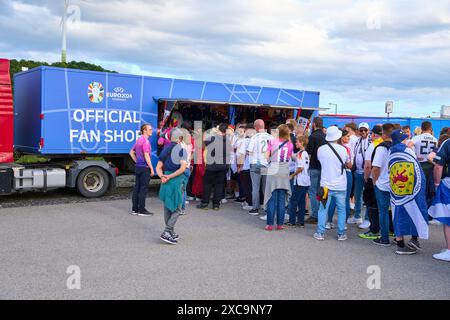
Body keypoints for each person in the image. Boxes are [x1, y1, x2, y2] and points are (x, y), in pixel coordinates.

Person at [388, 129, 429, 255]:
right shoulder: (408, 150)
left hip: (397, 190)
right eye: (405, 138)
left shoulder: (390, 151)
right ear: (402, 140)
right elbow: (416, 169)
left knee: (398, 212)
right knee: (416, 210)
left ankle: (400, 243)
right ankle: (414, 238)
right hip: (412, 189)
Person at [314, 126, 351, 241]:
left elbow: (320, 162)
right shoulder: (343, 150)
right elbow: (349, 164)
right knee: (341, 210)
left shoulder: (321, 149)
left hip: (325, 184)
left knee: (323, 209)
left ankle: (320, 233)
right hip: (341, 184)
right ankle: (341, 233)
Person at [157, 128, 189, 245]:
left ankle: (171, 232)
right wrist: (170, 177)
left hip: (165, 180)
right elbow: (182, 169)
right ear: (180, 138)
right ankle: (167, 231)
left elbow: (158, 167)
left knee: (167, 206)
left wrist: (163, 176)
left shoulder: (165, 150)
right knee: (177, 208)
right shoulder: (182, 150)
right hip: (175, 181)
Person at [263, 124, 293, 231]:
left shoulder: (272, 142)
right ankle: (280, 224)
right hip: (284, 170)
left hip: (273, 169)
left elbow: (266, 156)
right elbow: (289, 158)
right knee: (281, 198)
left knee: (271, 197)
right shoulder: (290, 144)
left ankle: (270, 224)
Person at [197, 123, 231, 211]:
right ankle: (216, 204)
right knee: (219, 185)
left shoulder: (213, 138)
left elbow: (203, 143)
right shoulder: (227, 140)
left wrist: (212, 131)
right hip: (224, 166)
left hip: (212, 165)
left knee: (207, 184)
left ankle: (205, 203)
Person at [359, 125, 384, 239]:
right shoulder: (388, 144)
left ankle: (374, 230)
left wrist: (365, 176)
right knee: (384, 206)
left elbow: (368, 165)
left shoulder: (373, 145)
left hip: (373, 178)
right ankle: (388, 229)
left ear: (373, 134)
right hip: (385, 179)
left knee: (372, 204)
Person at [372, 123, 395, 247]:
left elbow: (376, 168)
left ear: (383, 134)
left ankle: (385, 238)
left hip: (383, 184)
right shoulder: (399, 147)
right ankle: (398, 237)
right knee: (396, 211)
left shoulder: (381, 148)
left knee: (383, 211)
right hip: (397, 184)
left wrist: (375, 182)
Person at [428, 135, 450, 261]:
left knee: (447, 218)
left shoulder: (447, 143)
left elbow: (438, 166)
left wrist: (436, 184)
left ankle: (449, 250)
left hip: (448, 184)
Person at [326, 129, 353, 229]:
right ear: (341, 137)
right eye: (347, 136)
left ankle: (329, 221)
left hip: (332, 174)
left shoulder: (327, 148)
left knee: (332, 198)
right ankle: (344, 223)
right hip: (346, 173)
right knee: (345, 199)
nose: (349, 138)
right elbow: (350, 165)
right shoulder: (345, 149)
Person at [247, 119, 273, 215]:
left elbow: (249, 151)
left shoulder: (254, 137)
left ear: (256, 127)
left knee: (255, 187)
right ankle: (266, 208)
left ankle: (255, 208)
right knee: (266, 188)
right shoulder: (270, 137)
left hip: (255, 164)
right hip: (266, 164)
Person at [129, 124, 155, 216]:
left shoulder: (139, 140)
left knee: (137, 188)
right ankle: (142, 210)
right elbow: (146, 155)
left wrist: (137, 161)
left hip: (138, 167)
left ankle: (135, 209)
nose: (151, 131)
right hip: (144, 168)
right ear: (144, 130)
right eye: (150, 129)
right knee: (143, 189)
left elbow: (131, 152)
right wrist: (151, 168)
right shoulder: (146, 142)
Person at [348, 122, 371, 227]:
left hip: (367, 173)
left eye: (364, 130)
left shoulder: (370, 142)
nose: (363, 132)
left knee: (367, 197)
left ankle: (367, 219)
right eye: (361, 130)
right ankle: (357, 216)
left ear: (368, 131)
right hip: (357, 172)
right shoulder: (357, 141)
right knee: (357, 195)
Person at [412, 121, 438, 208]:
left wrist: (415, 155)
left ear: (421, 128)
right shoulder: (435, 139)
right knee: (430, 190)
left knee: (419, 189)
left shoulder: (416, 138)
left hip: (419, 165)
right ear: (430, 128)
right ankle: (428, 210)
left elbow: (409, 146)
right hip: (431, 166)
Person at [305, 117, 326, 224]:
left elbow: (308, 153)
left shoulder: (312, 136)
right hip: (323, 168)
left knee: (312, 191)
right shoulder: (325, 137)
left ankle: (315, 215)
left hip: (313, 166)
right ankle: (321, 214)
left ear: (314, 124)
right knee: (320, 191)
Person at [287, 136, 310, 227]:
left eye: (297, 142)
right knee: (301, 202)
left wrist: (292, 175)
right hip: (306, 180)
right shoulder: (305, 153)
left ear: (302, 143)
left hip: (300, 180)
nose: (296, 143)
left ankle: (292, 220)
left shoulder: (300, 154)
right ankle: (301, 221)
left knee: (293, 201)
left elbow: (300, 167)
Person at [237, 124, 254, 211]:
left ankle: (250, 203)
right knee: (254, 186)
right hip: (255, 166)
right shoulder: (256, 139)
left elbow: (240, 154)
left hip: (246, 166)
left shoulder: (244, 141)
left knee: (247, 186)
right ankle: (257, 203)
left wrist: (239, 167)